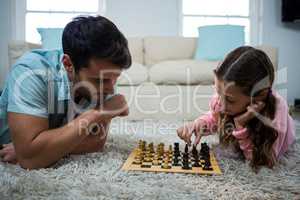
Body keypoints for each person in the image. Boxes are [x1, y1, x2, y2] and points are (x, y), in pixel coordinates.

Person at [0, 15, 131, 169]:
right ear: (68, 64)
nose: (110, 89)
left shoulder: (102, 77)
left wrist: (40, 149)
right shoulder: (31, 72)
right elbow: (30, 160)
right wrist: (97, 113)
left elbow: (95, 143)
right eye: (100, 80)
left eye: (115, 78)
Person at [177, 46, 296, 171]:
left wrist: (240, 125)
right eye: (218, 92)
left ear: (256, 99)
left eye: (230, 100)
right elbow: (214, 117)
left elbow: (263, 162)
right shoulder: (221, 101)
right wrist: (199, 123)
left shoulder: (276, 111)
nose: (220, 104)